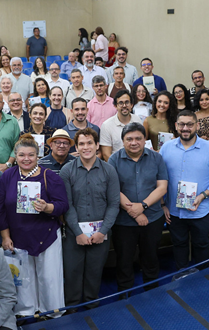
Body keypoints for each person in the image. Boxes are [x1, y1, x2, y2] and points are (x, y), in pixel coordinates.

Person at [0, 135, 68, 315]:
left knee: (49, 278)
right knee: (23, 278)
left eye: (30, 155)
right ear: (15, 155)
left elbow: (63, 204)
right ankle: (26, 312)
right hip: (18, 236)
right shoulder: (7, 176)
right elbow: (1, 207)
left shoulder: (49, 176)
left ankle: (52, 312)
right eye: (21, 155)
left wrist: (47, 207)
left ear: (38, 156)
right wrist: (5, 236)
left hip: (46, 234)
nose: (26, 159)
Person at [160, 111, 209, 274]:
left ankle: (202, 278)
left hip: (201, 210)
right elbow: (159, 177)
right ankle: (181, 276)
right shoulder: (166, 148)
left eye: (190, 124)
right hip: (175, 212)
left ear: (197, 125)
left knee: (202, 245)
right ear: (176, 126)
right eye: (182, 124)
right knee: (179, 245)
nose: (186, 128)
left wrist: (204, 195)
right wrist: (162, 204)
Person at [60, 127, 119, 308]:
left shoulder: (109, 171)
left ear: (97, 145)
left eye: (89, 143)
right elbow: (66, 205)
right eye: (82, 144)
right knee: (72, 274)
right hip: (73, 235)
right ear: (76, 147)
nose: (86, 147)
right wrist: (77, 232)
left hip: (100, 235)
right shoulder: (66, 171)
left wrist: (102, 232)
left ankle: (92, 310)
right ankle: (72, 311)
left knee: (94, 274)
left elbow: (114, 204)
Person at [106, 123, 168, 294]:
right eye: (129, 139)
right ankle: (124, 295)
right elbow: (113, 190)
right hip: (123, 222)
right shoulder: (114, 159)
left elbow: (162, 187)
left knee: (151, 258)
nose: (134, 142)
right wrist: (134, 212)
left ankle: (152, 292)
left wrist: (143, 206)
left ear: (144, 140)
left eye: (138, 138)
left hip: (152, 218)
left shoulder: (156, 158)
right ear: (123, 141)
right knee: (124, 260)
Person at [99, 90, 143, 159]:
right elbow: (106, 154)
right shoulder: (106, 125)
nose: (124, 106)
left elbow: (141, 144)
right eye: (121, 103)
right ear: (115, 106)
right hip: (117, 166)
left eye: (127, 102)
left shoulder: (137, 120)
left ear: (132, 105)